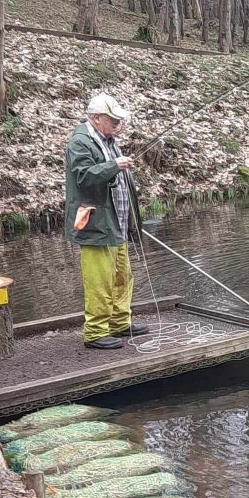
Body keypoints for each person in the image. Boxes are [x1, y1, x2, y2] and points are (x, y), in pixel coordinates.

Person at [65, 92, 149, 349]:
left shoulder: (108, 139)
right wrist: (114, 165)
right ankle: (96, 332)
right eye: (113, 120)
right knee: (100, 280)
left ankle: (119, 323)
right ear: (97, 118)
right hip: (95, 224)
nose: (117, 124)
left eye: (118, 120)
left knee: (123, 275)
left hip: (118, 223)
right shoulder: (80, 142)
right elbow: (83, 177)